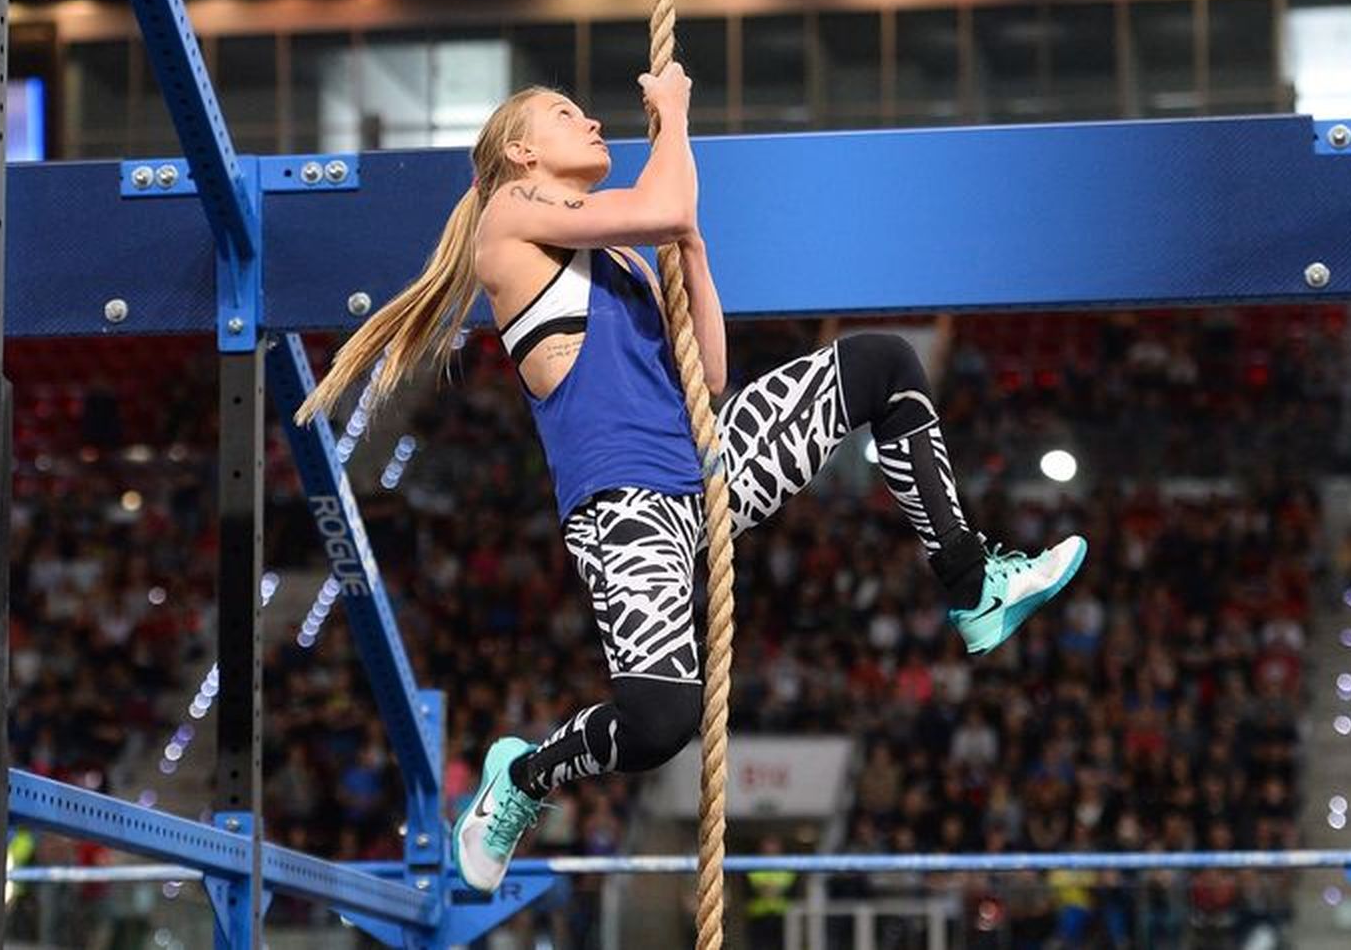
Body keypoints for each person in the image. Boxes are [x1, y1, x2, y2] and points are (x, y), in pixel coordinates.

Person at [296, 64, 1087, 893]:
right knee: (661, 719)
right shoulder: (508, 214)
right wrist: (673, 116)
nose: (595, 123)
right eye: (569, 115)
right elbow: (666, 201)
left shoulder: (625, 257)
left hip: (704, 466)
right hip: (626, 501)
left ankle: (974, 586)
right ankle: (523, 778)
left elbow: (708, 372)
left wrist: (695, 249)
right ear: (523, 151)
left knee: (884, 363)